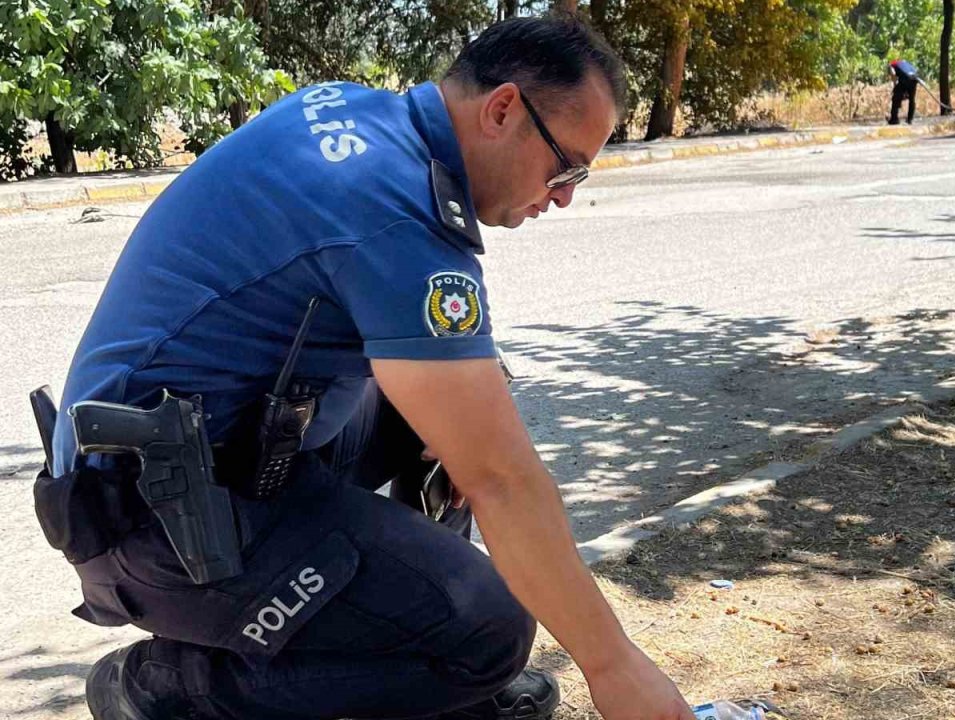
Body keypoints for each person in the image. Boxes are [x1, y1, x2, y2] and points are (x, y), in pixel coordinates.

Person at [41, 15, 696, 720]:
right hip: (153, 518)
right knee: (493, 627)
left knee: (458, 405)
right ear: (503, 109)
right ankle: (166, 686)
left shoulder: (358, 117)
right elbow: (502, 480)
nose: (564, 194)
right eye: (565, 166)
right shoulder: (391, 216)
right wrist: (615, 666)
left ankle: (437, 673)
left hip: (203, 450)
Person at [887, 58, 919, 125]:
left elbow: (893, 74)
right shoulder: (905, 62)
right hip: (914, 78)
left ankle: (894, 119)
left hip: (905, 78)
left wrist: (896, 87)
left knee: (896, 98)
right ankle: (910, 119)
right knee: (912, 99)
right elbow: (914, 70)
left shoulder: (891, 65)